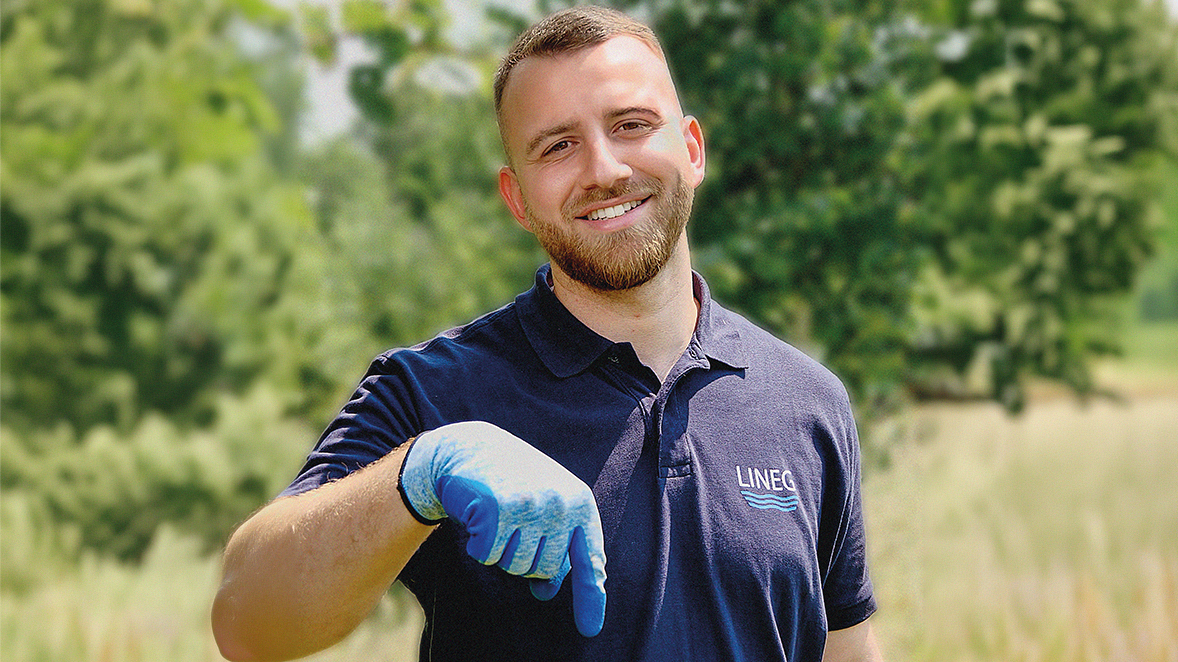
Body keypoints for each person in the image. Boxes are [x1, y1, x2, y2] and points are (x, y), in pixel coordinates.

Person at [212, 6, 882, 661]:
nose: (603, 169)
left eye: (631, 125)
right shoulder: (435, 391)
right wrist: (419, 475)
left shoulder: (808, 401)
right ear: (517, 199)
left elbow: (845, 649)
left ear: (693, 148)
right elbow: (249, 623)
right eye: (558, 145)